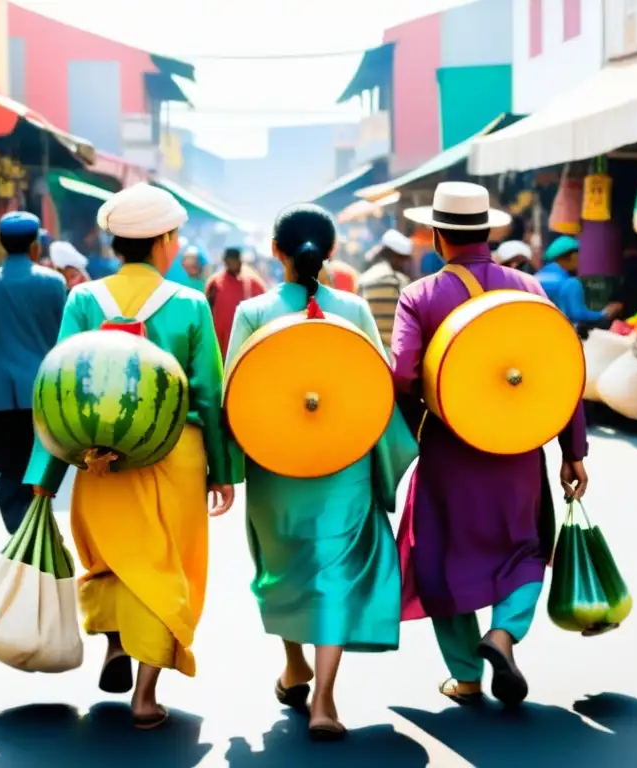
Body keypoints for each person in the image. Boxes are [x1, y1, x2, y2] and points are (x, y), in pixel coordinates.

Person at [24, 184, 241, 730]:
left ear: (117, 244)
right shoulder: (190, 304)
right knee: (165, 563)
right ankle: (145, 695)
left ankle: (116, 644)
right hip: (174, 456)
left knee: (113, 557)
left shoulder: (82, 301)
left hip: (98, 458)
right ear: (166, 241)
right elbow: (209, 395)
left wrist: (44, 473)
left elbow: (56, 389)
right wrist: (224, 471)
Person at [391, 182, 589, 706]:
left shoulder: (421, 296)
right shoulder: (528, 287)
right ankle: (503, 633)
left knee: (441, 556)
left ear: (437, 237)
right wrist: (573, 450)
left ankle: (466, 675)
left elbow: (405, 374)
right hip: (518, 447)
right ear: (488, 233)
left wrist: (417, 429)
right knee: (523, 546)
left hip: (450, 451)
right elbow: (560, 367)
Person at [225, 203, 417, 741]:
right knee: (333, 572)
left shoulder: (254, 313)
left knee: (283, 569)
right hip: (343, 462)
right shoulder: (352, 310)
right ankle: (325, 700)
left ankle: (294, 666)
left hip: (276, 464)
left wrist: (224, 469)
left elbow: (233, 398)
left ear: (276, 252)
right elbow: (379, 392)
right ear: (332, 251)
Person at [0, 212, 67, 534]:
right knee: (41, 467)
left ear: (1, 244)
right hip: (45, 393)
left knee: (9, 469)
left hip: (1, 393)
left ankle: (22, 530)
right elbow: (66, 339)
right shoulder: (54, 283)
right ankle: (32, 529)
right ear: (35, 245)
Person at [536, 236, 623, 327]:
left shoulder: (534, 278)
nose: (580, 262)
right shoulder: (569, 283)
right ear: (573, 256)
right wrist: (604, 314)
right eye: (578, 257)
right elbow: (577, 314)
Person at [358, 229, 413, 354]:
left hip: (370, 352)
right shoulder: (402, 281)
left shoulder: (363, 279)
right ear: (396, 258)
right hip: (397, 354)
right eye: (403, 260)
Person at [207, 246, 266, 359]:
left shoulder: (253, 283)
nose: (232, 263)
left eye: (235, 260)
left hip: (247, 345)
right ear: (225, 261)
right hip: (220, 346)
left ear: (240, 261)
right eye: (229, 260)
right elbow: (208, 313)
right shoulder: (215, 284)